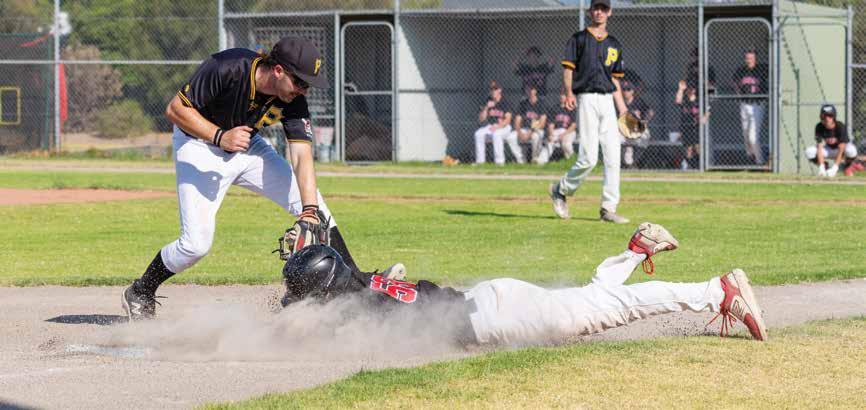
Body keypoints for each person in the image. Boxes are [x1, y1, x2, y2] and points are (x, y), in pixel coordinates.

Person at [121, 37, 402, 321]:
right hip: (199, 145)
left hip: (248, 148)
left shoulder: (293, 99)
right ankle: (141, 291)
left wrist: (308, 210)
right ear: (278, 70)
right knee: (195, 245)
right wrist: (220, 136)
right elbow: (175, 109)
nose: (304, 90)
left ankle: (358, 284)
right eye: (300, 82)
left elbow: (301, 155)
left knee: (318, 209)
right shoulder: (227, 67)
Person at [280, 223, 768, 347]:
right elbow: (352, 269)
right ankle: (638, 250)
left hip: (495, 318)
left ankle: (716, 291)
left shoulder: (355, 310)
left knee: (608, 309)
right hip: (485, 299)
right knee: (590, 300)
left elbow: (313, 331)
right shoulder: (361, 284)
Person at [549, 0, 630, 223]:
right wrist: (568, 93)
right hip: (586, 98)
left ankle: (608, 208)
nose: (599, 12)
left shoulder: (614, 44)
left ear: (610, 12)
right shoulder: (579, 39)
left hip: (607, 101)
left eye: (603, 8)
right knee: (588, 158)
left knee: (613, 155)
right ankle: (560, 189)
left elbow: (614, 79)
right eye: (596, 8)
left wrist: (622, 108)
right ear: (590, 11)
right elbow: (568, 69)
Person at [733, 49, 769, 166]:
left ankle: (760, 162)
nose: (749, 60)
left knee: (753, 137)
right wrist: (739, 95)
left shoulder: (762, 68)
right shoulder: (741, 70)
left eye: (751, 58)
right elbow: (735, 83)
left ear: (755, 58)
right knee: (745, 134)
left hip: (757, 104)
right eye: (747, 58)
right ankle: (750, 158)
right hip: (744, 104)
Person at [806, 104, 862, 177]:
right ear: (821, 117)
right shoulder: (819, 126)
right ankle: (825, 166)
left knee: (851, 150)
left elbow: (841, 148)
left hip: (842, 151)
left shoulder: (840, 126)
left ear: (834, 117)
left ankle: (848, 167)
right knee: (809, 151)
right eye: (824, 116)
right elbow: (819, 147)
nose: (827, 118)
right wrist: (821, 167)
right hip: (829, 149)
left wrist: (835, 168)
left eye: (830, 116)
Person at [474, 83, 513, 165]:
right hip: (491, 126)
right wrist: (486, 108)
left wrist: (498, 126)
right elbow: (481, 120)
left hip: (504, 127)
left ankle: (499, 162)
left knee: (496, 134)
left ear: (500, 90)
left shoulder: (505, 101)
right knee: (478, 134)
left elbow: (508, 120)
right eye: (491, 89)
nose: (493, 91)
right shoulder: (487, 101)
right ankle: (480, 162)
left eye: (495, 89)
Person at [675, 80, 710, 170]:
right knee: (689, 150)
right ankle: (691, 167)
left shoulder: (699, 100)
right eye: (689, 89)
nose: (690, 90)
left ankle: (701, 166)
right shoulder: (684, 99)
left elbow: (708, 111)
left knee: (698, 148)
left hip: (697, 127)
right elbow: (678, 101)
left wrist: (704, 118)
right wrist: (680, 89)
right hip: (686, 127)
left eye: (692, 89)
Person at [508, 86, 548, 164]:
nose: (530, 91)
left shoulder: (541, 103)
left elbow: (542, 123)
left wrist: (530, 132)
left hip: (537, 129)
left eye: (531, 89)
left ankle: (534, 159)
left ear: (535, 91)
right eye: (528, 89)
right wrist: (519, 133)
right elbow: (517, 120)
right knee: (510, 137)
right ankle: (521, 160)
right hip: (524, 129)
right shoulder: (523, 103)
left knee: (535, 137)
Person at [620, 79, 653, 169]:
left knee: (645, 137)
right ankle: (626, 163)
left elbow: (650, 112)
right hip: (623, 129)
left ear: (632, 91)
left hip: (636, 128)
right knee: (620, 140)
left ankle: (633, 162)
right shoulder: (620, 103)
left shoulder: (639, 102)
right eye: (624, 89)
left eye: (628, 89)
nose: (626, 92)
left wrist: (644, 121)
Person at [537, 94, 578, 165]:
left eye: (564, 95)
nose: (562, 97)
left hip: (569, 131)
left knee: (566, 144)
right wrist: (550, 134)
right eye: (561, 95)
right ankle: (540, 162)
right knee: (549, 142)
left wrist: (563, 135)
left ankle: (573, 162)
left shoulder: (572, 108)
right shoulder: (554, 108)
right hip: (556, 131)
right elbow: (551, 124)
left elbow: (573, 125)